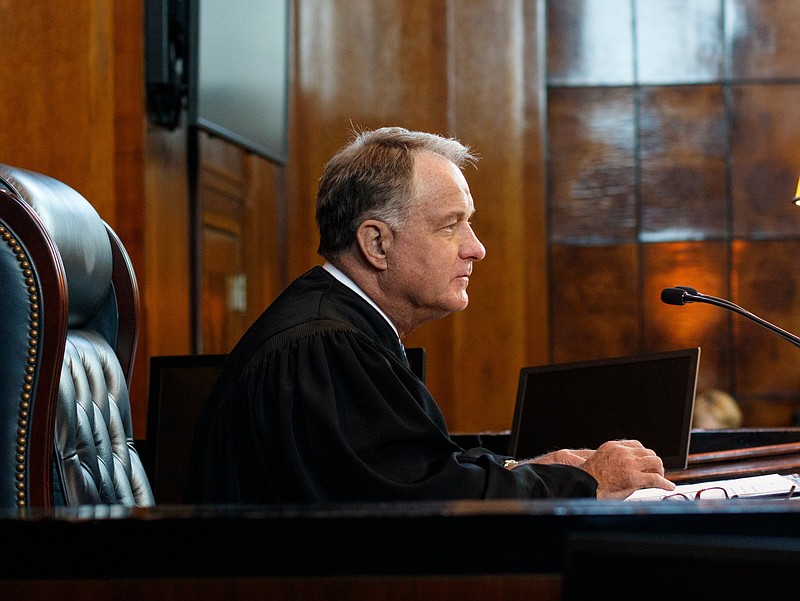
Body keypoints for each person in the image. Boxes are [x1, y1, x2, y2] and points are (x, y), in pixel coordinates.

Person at [188, 126, 675, 503]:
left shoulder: (342, 329)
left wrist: (534, 468)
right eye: (450, 226)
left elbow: (417, 470)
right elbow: (421, 509)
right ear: (376, 242)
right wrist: (581, 482)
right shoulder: (325, 346)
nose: (476, 249)